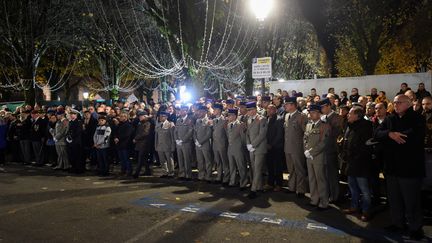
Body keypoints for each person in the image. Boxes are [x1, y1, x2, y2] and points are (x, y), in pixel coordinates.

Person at [375, 95, 425, 240]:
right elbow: (377, 133)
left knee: (412, 201)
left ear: (409, 104)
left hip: (410, 169)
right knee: (394, 199)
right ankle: (398, 223)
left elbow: (413, 137)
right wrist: (390, 134)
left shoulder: (417, 118)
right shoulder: (390, 118)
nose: (395, 105)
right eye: (394, 102)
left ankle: (415, 227)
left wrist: (391, 138)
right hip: (391, 167)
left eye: (399, 102)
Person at [342, 106, 373, 222]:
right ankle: (354, 207)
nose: (347, 115)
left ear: (357, 115)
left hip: (361, 164)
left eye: (350, 113)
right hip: (351, 163)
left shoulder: (367, 126)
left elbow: (365, 146)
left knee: (364, 190)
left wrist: (354, 157)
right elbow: (346, 141)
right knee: (353, 187)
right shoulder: (350, 125)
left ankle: (366, 211)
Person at [303, 104, 330, 210]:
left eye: (313, 112)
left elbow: (323, 143)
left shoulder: (325, 126)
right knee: (312, 179)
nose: (310, 114)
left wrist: (312, 152)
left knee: (320, 179)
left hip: (318, 156)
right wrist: (305, 150)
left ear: (319, 113)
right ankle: (314, 199)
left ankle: (324, 202)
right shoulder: (308, 125)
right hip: (309, 156)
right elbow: (305, 138)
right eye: (310, 112)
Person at [283, 97, 308, 197]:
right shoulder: (287, 115)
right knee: (291, 169)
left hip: (297, 148)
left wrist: (304, 147)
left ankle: (301, 190)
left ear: (293, 105)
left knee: (299, 169)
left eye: (287, 104)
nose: (285, 106)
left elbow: (306, 133)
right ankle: (292, 187)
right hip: (288, 147)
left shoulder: (301, 116)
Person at [320, 98, 343, 203]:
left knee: (332, 175)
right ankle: (327, 194)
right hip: (322, 150)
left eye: (323, 107)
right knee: (324, 175)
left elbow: (335, 134)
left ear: (329, 106)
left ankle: (335, 196)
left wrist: (325, 124)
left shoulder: (337, 117)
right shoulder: (323, 117)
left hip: (332, 150)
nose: (321, 109)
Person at [245, 102, 268, 199]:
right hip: (251, 147)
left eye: (250, 110)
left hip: (259, 147)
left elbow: (262, 134)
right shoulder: (249, 119)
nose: (248, 112)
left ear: (255, 109)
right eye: (248, 110)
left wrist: (253, 145)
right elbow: (247, 133)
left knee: (258, 169)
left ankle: (253, 190)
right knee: (254, 169)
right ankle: (259, 186)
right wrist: (248, 144)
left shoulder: (262, 119)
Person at [226, 108, 248, 190]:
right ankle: (232, 181)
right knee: (232, 166)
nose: (228, 117)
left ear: (234, 116)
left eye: (230, 115)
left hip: (238, 148)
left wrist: (242, 147)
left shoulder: (240, 125)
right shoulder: (229, 125)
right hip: (230, 148)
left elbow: (243, 138)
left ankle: (243, 183)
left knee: (241, 166)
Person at [265, 104, 284, 192]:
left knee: (278, 167)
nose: (268, 111)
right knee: (270, 166)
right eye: (268, 109)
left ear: (275, 110)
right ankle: (270, 183)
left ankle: (279, 184)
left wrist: (271, 144)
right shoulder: (267, 119)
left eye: (271, 109)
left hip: (276, 147)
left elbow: (279, 135)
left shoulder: (279, 119)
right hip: (268, 147)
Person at [194, 105, 213, 182]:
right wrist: (196, 141)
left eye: (202, 111)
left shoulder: (208, 121)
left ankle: (208, 176)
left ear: (205, 112)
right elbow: (194, 132)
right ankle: (201, 175)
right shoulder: (197, 121)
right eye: (199, 111)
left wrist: (200, 142)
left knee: (207, 160)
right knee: (200, 160)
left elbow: (208, 134)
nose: (200, 112)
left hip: (205, 144)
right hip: (198, 144)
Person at [174, 105, 194, 180]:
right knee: (180, 159)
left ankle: (188, 175)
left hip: (186, 143)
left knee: (187, 159)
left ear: (187, 111)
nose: (181, 112)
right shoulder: (178, 120)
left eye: (183, 110)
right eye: (181, 110)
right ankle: (182, 174)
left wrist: (182, 140)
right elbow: (175, 131)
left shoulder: (189, 120)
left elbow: (190, 131)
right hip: (179, 143)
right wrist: (176, 140)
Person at [212, 103, 230, 185]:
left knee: (224, 161)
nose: (213, 111)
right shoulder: (214, 120)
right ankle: (219, 176)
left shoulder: (224, 120)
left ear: (219, 110)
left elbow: (227, 134)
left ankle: (226, 178)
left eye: (215, 109)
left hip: (222, 144)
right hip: (215, 144)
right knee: (218, 161)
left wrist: (227, 144)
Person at [155, 111, 176, 178]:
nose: (160, 118)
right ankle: (165, 172)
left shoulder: (170, 124)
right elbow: (156, 136)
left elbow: (172, 136)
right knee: (162, 160)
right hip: (160, 145)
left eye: (162, 116)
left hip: (168, 145)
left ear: (166, 117)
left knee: (169, 160)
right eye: (160, 116)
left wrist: (173, 146)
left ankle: (171, 173)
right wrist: (156, 145)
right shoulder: (158, 124)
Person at [133, 111, 153, 178]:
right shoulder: (140, 123)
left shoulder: (147, 123)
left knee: (141, 159)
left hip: (144, 144)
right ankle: (148, 171)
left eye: (141, 116)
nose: (139, 117)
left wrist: (136, 138)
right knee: (144, 158)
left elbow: (145, 133)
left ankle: (137, 173)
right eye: (139, 116)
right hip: (140, 143)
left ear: (145, 116)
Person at [114, 112, 134, 177]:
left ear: (126, 117)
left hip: (126, 145)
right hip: (119, 145)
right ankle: (123, 170)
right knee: (122, 159)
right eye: (120, 116)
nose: (121, 117)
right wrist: (115, 137)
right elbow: (116, 132)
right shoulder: (119, 124)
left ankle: (129, 171)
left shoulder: (128, 125)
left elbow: (127, 134)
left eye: (122, 116)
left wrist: (118, 138)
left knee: (126, 159)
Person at [67, 109, 83, 173]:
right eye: (70, 114)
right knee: (71, 155)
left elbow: (78, 132)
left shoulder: (78, 122)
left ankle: (77, 169)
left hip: (76, 142)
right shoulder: (70, 122)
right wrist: (68, 137)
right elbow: (69, 131)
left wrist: (71, 137)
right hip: (71, 142)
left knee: (77, 156)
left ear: (76, 115)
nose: (71, 115)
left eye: (73, 114)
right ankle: (73, 167)